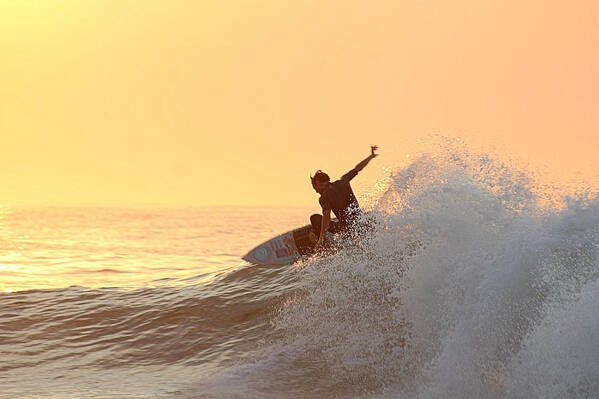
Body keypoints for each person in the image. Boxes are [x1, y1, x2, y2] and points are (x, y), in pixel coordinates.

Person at [310, 145, 379, 250]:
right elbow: (358, 168)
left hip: (347, 229)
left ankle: (326, 248)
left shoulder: (324, 197)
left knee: (314, 218)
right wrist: (371, 156)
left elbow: (326, 217)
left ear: (318, 183)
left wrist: (321, 238)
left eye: (314, 187)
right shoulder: (343, 181)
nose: (315, 190)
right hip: (359, 221)